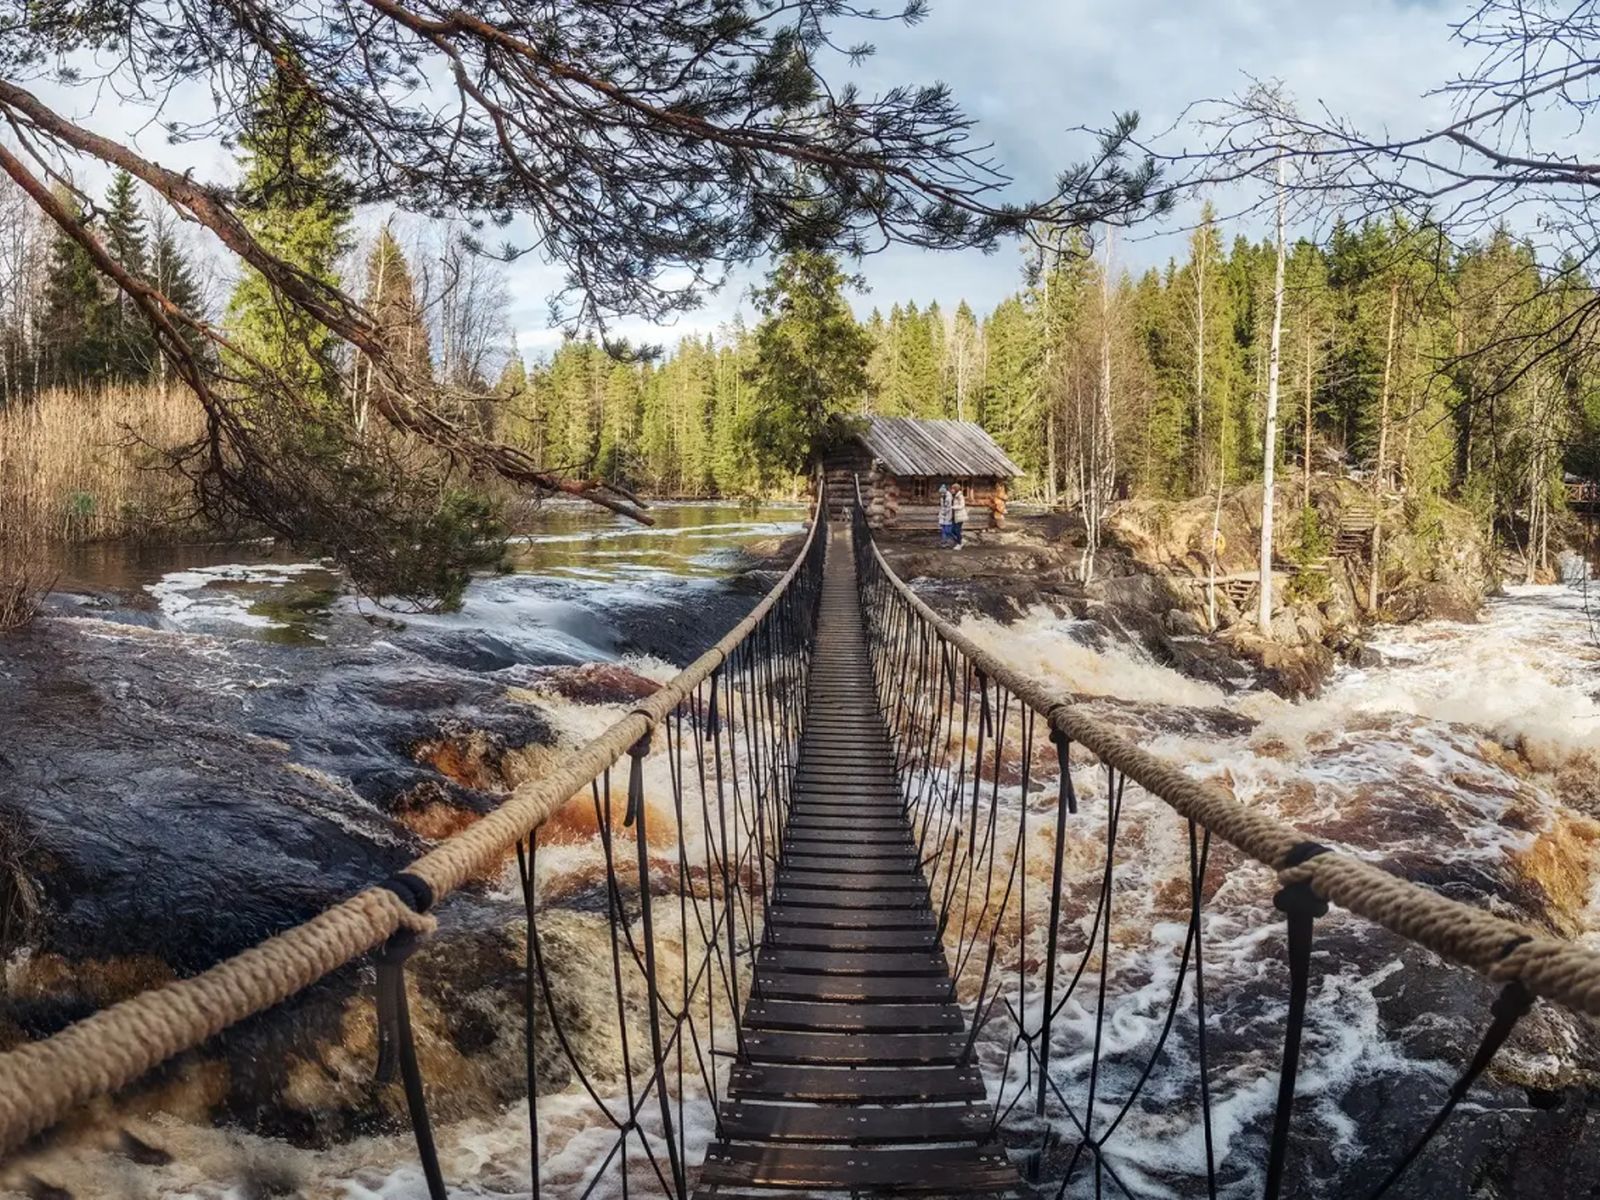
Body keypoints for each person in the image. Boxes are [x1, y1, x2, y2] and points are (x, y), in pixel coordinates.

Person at [950, 483, 968, 549]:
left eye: (953, 489)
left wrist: (953, 507)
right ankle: (961, 540)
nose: (951, 490)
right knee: (952, 530)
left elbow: (962, 505)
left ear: (956, 489)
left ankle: (959, 544)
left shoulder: (960, 496)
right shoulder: (954, 496)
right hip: (955, 516)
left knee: (957, 530)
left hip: (960, 516)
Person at [938, 483, 953, 548]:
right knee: (943, 529)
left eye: (942, 493)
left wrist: (944, 512)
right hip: (943, 515)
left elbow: (948, 507)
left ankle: (949, 542)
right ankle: (943, 542)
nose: (941, 494)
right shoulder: (942, 497)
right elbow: (942, 506)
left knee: (948, 529)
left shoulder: (949, 497)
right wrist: (941, 513)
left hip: (948, 515)